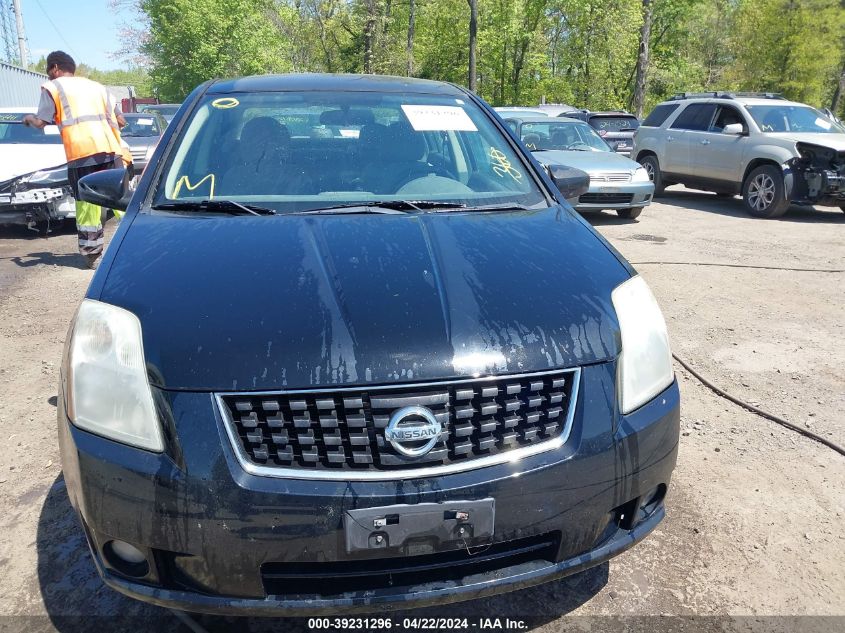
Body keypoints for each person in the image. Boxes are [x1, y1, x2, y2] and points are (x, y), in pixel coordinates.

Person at [23, 51, 132, 269]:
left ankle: (92, 255)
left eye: (49, 70)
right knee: (122, 199)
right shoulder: (98, 87)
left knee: (87, 203)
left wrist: (28, 120)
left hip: (82, 153)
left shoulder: (53, 87)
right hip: (111, 150)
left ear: (55, 68)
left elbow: (40, 122)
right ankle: (138, 244)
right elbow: (120, 120)